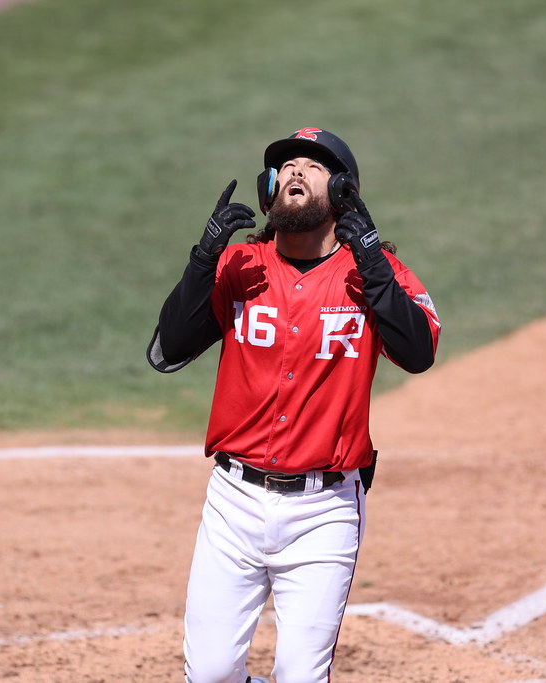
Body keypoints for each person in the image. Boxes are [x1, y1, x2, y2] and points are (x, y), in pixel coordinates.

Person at [146, 127, 441, 683]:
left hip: (323, 512)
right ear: (268, 188)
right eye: (287, 166)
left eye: (314, 165)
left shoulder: (373, 275)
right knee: (209, 675)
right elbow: (168, 349)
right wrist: (202, 261)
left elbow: (418, 352)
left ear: (345, 195)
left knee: (301, 676)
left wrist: (374, 263)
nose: (296, 172)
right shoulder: (240, 266)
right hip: (233, 502)